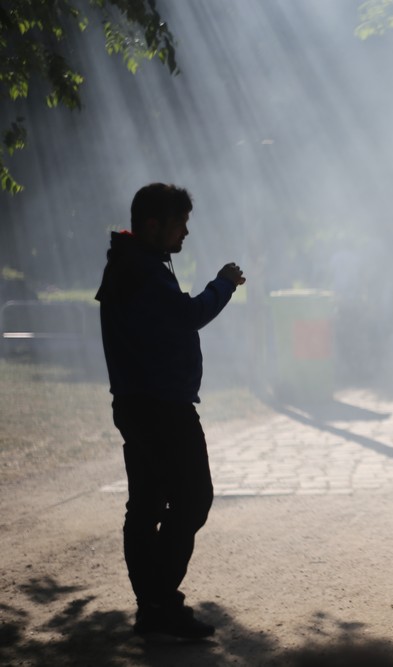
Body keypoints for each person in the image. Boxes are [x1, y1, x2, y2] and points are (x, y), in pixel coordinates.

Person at [95, 183, 246, 639]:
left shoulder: (129, 265)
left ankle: (153, 605)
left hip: (136, 404)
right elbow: (188, 315)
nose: (185, 233)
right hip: (162, 407)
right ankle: (159, 601)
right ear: (153, 225)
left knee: (145, 504)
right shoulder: (142, 270)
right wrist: (223, 284)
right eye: (179, 224)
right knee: (193, 498)